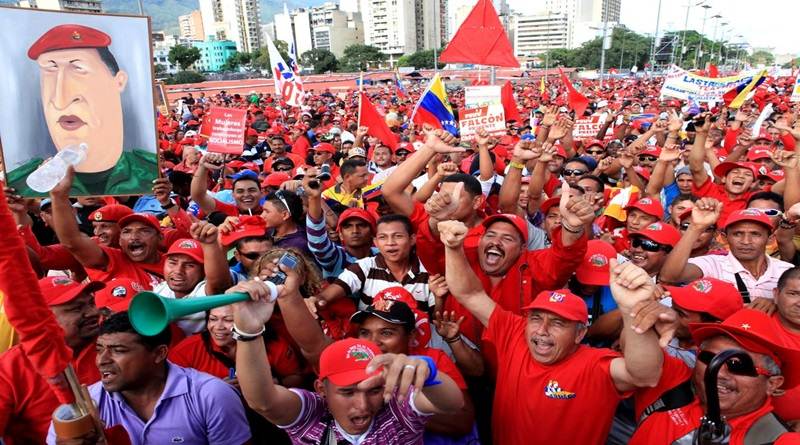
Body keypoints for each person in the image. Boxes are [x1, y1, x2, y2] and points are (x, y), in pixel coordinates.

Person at [437, 219, 666, 444]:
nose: (542, 330)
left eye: (558, 323)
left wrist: (631, 310)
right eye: (536, 318)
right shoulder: (515, 334)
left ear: (579, 334)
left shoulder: (595, 365)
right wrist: (453, 247)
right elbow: (469, 294)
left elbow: (645, 375)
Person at [229, 272, 465, 444]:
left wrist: (429, 373)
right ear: (322, 388)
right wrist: (248, 331)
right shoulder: (311, 414)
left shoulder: (399, 405)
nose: (362, 405)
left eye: (373, 390)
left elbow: (453, 405)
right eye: (347, 391)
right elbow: (263, 401)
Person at [47, 312, 251, 444]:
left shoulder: (211, 395)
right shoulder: (84, 407)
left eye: (118, 350)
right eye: (99, 350)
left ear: (159, 354)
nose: (102, 360)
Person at [7, 24, 157, 196]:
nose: (60, 98)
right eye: (50, 70)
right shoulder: (20, 188)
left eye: (78, 69)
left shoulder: (150, 176)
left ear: (119, 81)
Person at [629, 309, 800, 444]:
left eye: (738, 365)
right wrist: (633, 308)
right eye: (709, 358)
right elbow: (641, 356)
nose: (718, 372)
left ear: (772, 384)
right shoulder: (672, 383)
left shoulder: (779, 440)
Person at [0, 277, 103, 444]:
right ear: (42, 317)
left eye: (91, 303)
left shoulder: (114, 346)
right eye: (76, 309)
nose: (94, 313)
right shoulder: (9, 368)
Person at [661, 200, 793, 309]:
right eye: (737, 234)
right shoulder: (713, 264)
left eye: (755, 234)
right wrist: (696, 227)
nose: (746, 241)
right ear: (724, 238)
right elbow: (669, 276)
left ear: (770, 239)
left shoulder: (786, 271)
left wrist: (776, 303)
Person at [151, 221, 232, 335]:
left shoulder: (203, 291)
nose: (178, 271)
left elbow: (218, 283)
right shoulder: (160, 289)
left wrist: (210, 244)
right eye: (173, 263)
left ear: (204, 270)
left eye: (190, 265)